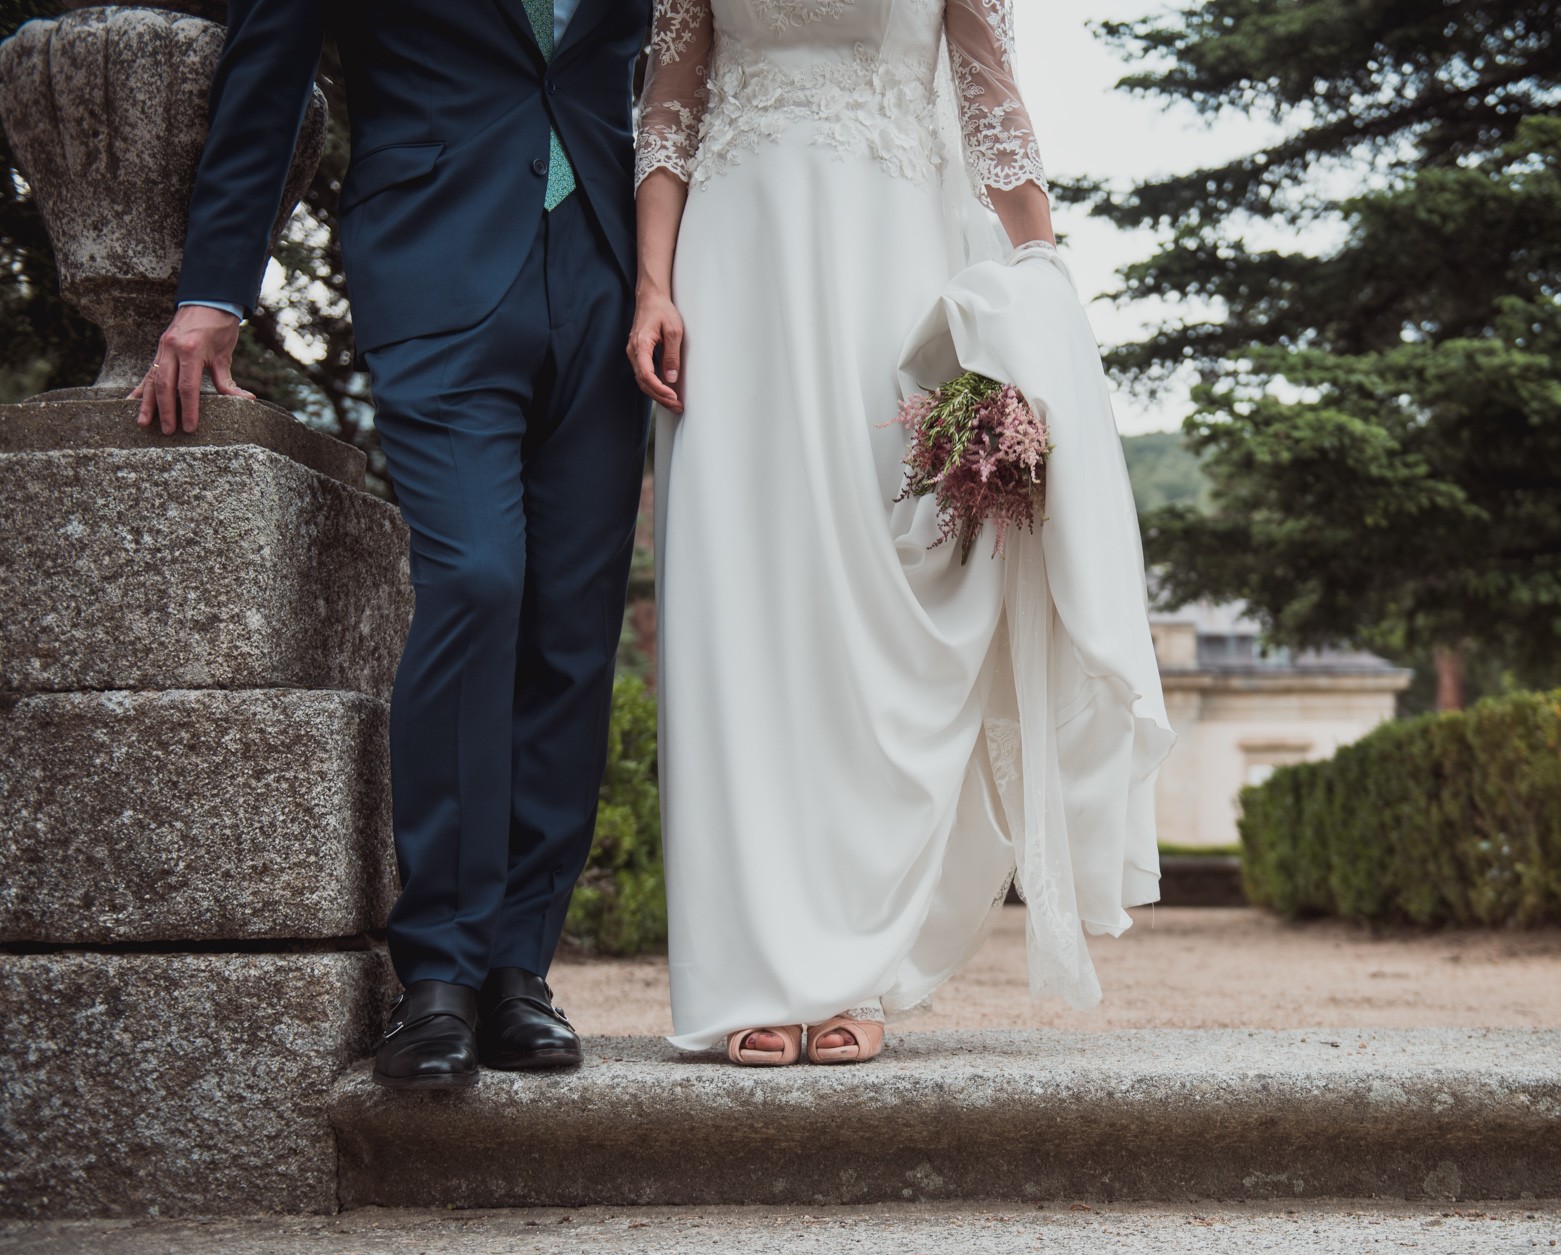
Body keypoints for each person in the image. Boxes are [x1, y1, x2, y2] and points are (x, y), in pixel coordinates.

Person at [629, 0, 1173, 1066]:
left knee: (886, 603)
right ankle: (748, 971)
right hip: (733, 266)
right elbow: (670, 108)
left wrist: (1040, 271)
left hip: (891, 258)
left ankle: (851, 967)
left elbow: (986, 91)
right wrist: (653, 283)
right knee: (742, 603)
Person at [136, 0, 652, 1089]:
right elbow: (266, 73)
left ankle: (519, 974)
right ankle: (438, 977)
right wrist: (216, 287)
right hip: (438, 266)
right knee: (475, 579)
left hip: (611, 282)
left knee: (571, 624)